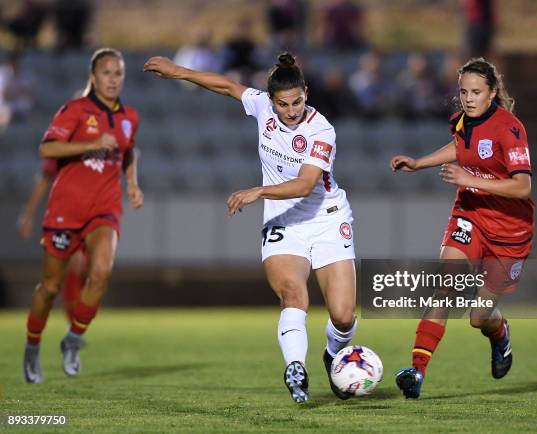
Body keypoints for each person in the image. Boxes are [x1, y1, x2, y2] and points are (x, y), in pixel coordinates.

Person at [144, 52, 357, 404]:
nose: (291, 111)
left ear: (306, 92)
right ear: (270, 100)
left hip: (328, 218)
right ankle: (295, 368)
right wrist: (177, 71)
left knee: (344, 316)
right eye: (283, 104)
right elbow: (226, 85)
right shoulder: (261, 106)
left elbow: (305, 184)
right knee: (292, 294)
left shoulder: (322, 130)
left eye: (297, 102)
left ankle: (334, 354)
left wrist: (258, 190)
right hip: (283, 222)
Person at [389, 57, 534, 398]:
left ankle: (500, 335)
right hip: (469, 214)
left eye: (476, 92)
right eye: (464, 92)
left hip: (509, 231)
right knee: (446, 285)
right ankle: (417, 372)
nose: (468, 99)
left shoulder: (510, 129)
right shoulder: (460, 122)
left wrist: (471, 179)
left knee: (478, 316)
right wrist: (419, 163)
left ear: (492, 93)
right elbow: (459, 147)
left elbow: (523, 187)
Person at [23, 48, 143, 384]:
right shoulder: (75, 110)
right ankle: (32, 346)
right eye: (107, 72)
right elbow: (47, 148)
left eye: (118, 73)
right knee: (49, 287)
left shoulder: (130, 116)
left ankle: (73, 339)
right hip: (66, 210)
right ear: (94, 76)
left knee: (101, 273)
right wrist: (89, 146)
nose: (113, 79)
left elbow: (129, 149)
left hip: (104, 208)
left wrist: (132, 183)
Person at [18, 159, 88, 322]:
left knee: (86, 268)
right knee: (72, 267)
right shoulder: (62, 144)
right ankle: (72, 324)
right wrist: (27, 215)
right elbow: (44, 178)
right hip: (64, 215)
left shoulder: (95, 143)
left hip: (91, 213)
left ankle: (76, 320)